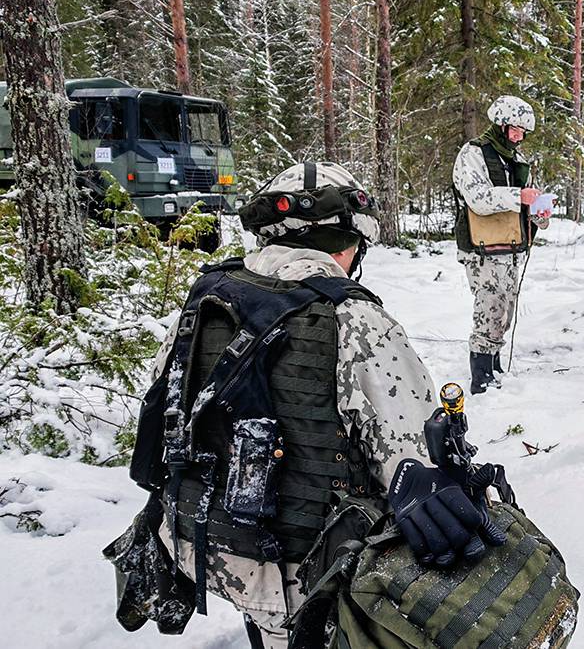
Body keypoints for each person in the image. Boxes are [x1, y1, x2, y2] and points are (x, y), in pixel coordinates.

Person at [130, 162, 436, 648]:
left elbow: (163, 399)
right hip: (309, 567)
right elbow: (417, 460)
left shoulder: (206, 298)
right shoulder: (353, 317)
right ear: (348, 244)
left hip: (199, 541)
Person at [453, 95, 553, 394]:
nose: (519, 137)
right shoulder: (473, 153)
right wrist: (518, 196)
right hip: (482, 247)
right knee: (490, 308)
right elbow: (477, 198)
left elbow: (523, 205)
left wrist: (538, 214)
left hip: (510, 246)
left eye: (523, 132)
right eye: (516, 130)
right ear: (500, 124)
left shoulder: (516, 160)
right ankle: (481, 375)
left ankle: (493, 363)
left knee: (505, 310)